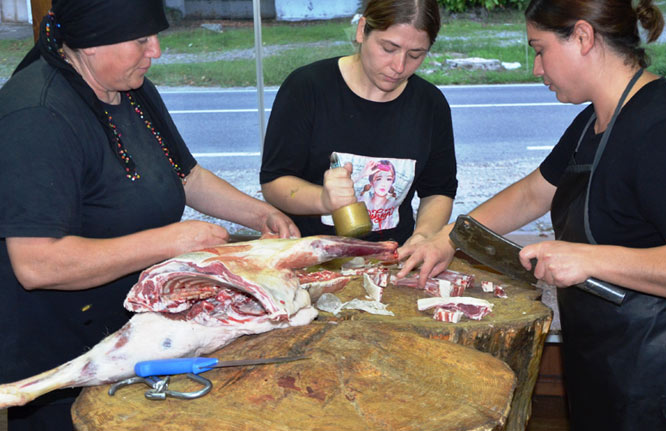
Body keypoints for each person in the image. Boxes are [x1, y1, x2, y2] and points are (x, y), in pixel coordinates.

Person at [398, 0, 666, 429]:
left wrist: (588, 258)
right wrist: (449, 237)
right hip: (604, 357)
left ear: (582, 37)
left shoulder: (665, 130)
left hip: (661, 377)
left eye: (539, 50)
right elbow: (531, 194)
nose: (536, 69)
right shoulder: (593, 121)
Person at [0, 1, 299, 429]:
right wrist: (173, 241)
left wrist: (261, 215)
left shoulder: (131, 90)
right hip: (61, 356)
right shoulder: (37, 115)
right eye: (141, 40)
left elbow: (186, 175)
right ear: (89, 43)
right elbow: (37, 264)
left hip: (132, 332)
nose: (155, 51)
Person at [259, 0, 458, 246]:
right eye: (388, 48)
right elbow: (274, 182)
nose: (399, 66)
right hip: (310, 257)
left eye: (415, 55)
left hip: (389, 258)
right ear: (362, 30)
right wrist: (323, 199)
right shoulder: (308, 88)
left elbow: (438, 190)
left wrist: (423, 236)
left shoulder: (431, 105)